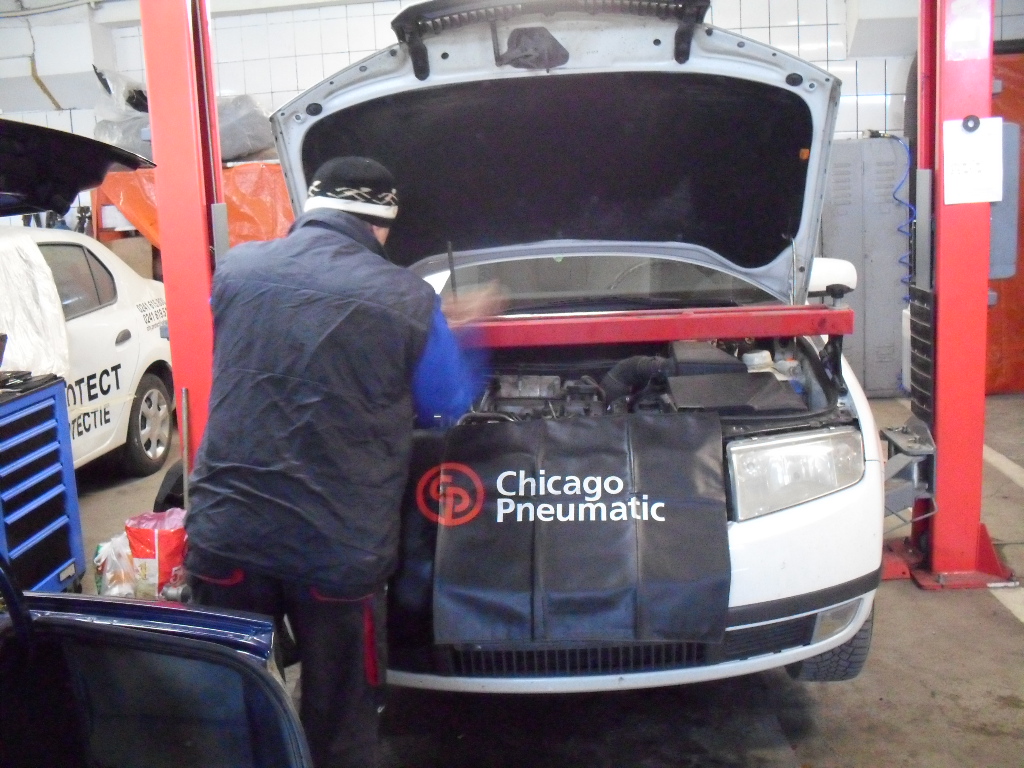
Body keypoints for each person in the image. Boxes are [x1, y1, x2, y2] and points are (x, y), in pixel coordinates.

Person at [184, 157, 491, 768]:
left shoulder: (238, 268)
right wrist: (462, 330)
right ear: (381, 224)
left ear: (313, 208)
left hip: (226, 532)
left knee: (228, 703)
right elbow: (447, 403)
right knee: (341, 717)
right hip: (335, 551)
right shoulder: (406, 297)